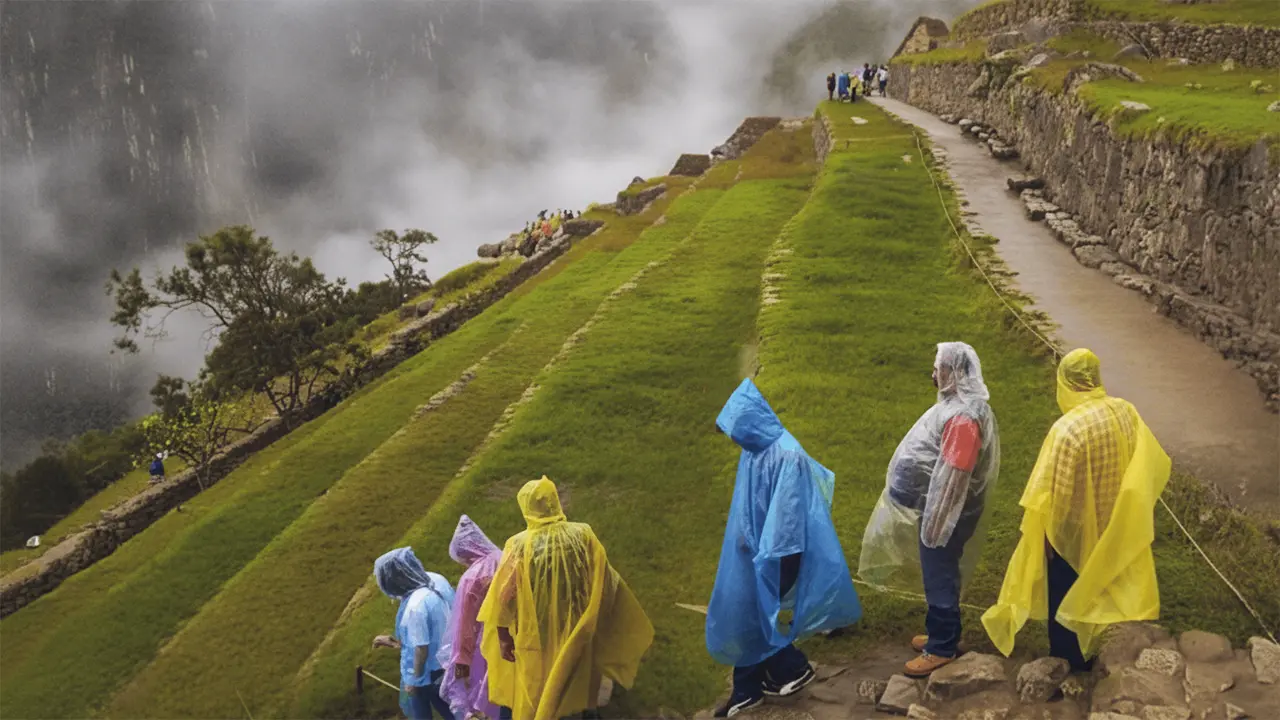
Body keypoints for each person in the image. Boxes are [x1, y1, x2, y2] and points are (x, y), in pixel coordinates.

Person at [983, 349, 1170, 672]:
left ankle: (1066, 659)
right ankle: (1107, 644)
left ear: (1065, 382)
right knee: (1106, 582)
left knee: (1064, 591)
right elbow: (1147, 461)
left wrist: (1049, 540)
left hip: (1076, 530)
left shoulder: (1067, 430)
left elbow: (1055, 497)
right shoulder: (1126, 411)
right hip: (1116, 521)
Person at [707, 379, 862, 716]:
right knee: (753, 609)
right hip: (759, 549)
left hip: (779, 553)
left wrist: (764, 557)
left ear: (749, 421)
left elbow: (787, 524)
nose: (734, 440)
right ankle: (780, 671)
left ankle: (756, 685)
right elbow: (750, 502)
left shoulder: (787, 456)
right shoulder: (755, 450)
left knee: (752, 610)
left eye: (734, 431)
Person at [858, 342, 1000, 677]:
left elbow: (954, 478)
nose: (933, 374)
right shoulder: (959, 406)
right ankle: (942, 634)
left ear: (953, 372)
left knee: (939, 573)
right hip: (941, 509)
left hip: (947, 514)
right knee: (940, 572)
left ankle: (941, 647)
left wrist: (938, 523)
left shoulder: (964, 419)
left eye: (938, 368)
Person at [479, 477, 653, 720]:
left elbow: (504, 595)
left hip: (535, 635)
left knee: (541, 691)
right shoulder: (583, 534)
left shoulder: (518, 545)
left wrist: (503, 635)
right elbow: (604, 580)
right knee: (576, 683)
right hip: (578, 628)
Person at [373, 547, 457, 720]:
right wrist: (397, 643)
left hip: (429, 672)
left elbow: (421, 649)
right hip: (447, 660)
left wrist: (414, 680)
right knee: (453, 711)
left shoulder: (415, 606)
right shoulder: (435, 580)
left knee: (422, 713)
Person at [440, 516, 505, 720]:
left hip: (485, 655)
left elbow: (463, 635)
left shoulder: (472, 578)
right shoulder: (506, 561)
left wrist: (461, 680)